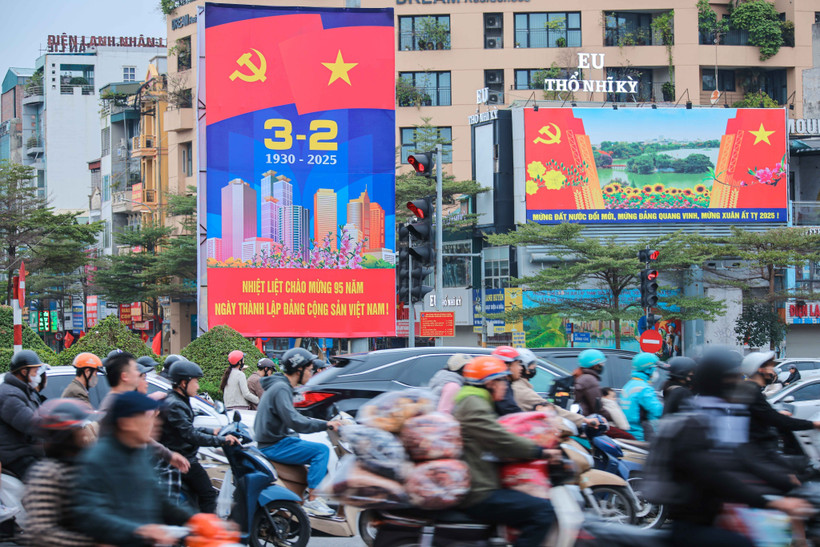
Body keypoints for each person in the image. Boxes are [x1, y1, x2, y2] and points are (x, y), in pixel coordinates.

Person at [646, 347, 811, 547]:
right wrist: (773, 502)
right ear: (719, 381)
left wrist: (786, 481)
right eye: (732, 378)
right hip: (691, 526)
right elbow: (718, 475)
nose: (738, 383)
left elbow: (743, 457)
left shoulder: (722, 414)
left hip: (716, 515)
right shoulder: (697, 424)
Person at [453, 356, 557, 547]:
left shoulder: (479, 401)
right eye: (502, 381)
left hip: (484, 480)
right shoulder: (474, 405)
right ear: (490, 383)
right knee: (542, 510)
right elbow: (501, 439)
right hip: (479, 491)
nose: (505, 386)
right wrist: (540, 452)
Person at [74, 391, 196, 546]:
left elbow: (158, 497)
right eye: (149, 417)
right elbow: (91, 515)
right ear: (126, 423)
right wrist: (140, 531)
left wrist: (194, 519)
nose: (157, 423)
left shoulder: (139, 453)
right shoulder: (97, 459)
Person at [254, 348, 341, 517]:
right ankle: (313, 500)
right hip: (273, 445)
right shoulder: (281, 388)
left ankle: (307, 494)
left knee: (313, 449)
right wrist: (326, 424)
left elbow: (293, 417)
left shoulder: (282, 387)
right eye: (309, 370)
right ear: (298, 369)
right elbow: (295, 421)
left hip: (278, 440)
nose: (311, 374)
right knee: (321, 451)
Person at [160, 361, 239, 514]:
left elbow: (186, 428)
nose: (197, 386)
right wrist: (222, 440)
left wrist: (212, 431)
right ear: (184, 383)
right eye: (195, 382)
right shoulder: (176, 404)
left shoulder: (179, 400)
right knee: (208, 494)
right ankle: (208, 526)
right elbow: (190, 435)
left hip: (183, 455)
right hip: (183, 459)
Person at [736, 351, 820, 488]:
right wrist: (813, 424)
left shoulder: (750, 390)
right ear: (761, 369)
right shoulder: (752, 392)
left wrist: (777, 413)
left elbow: (764, 414)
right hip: (761, 454)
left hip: (762, 452)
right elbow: (778, 421)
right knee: (810, 468)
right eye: (770, 367)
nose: (773, 372)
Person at [22, 399, 98, 547]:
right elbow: (40, 533)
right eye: (81, 428)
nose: (85, 432)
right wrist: (92, 543)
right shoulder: (48, 473)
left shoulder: (86, 466)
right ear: (67, 435)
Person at [101, 352, 189, 473]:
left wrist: (169, 455)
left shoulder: (125, 402)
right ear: (124, 376)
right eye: (135, 370)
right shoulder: (114, 405)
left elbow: (142, 438)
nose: (138, 374)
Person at [509, 348, 592, 430]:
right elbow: (552, 410)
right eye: (532, 364)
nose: (535, 367)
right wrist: (583, 420)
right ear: (524, 367)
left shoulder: (520, 386)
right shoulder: (521, 390)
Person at [0, 350, 45, 477]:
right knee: (47, 479)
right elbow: (30, 423)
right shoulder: (9, 395)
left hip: (27, 452)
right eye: (35, 371)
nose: (38, 375)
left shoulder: (24, 391)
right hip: (16, 456)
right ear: (24, 372)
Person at [620, 352, 664, 441]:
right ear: (649, 370)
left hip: (629, 433)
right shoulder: (644, 389)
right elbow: (657, 411)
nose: (656, 372)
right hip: (641, 435)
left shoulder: (628, 386)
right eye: (655, 369)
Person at [573, 349, 611, 421]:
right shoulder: (589, 380)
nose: (603, 366)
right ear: (596, 366)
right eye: (601, 364)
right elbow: (597, 408)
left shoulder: (581, 376)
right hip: (587, 421)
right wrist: (611, 417)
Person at [490, 346, 524, 416]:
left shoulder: (501, 382)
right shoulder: (500, 386)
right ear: (506, 366)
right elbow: (511, 411)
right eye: (518, 364)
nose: (521, 368)